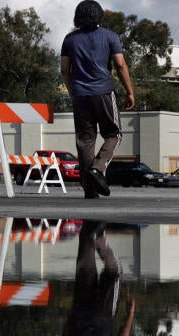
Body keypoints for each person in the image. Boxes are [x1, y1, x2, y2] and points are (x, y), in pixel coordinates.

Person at [61, 0, 135, 199]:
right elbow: (120, 65)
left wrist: (73, 90)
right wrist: (130, 92)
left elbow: (64, 70)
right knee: (114, 133)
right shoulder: (110, 36)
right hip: (103, 92)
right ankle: (98, 168)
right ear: (99, 16)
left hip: (79, 94)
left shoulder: (70, 39)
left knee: (85, 140)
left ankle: (90, 189)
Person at [62, 220, 134, 336]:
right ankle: (89, 231)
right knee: (85, 269)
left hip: (103, 315)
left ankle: (100, 237)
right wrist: (72, 312)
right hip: (80, 312)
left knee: (114, 272)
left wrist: (130, 314)